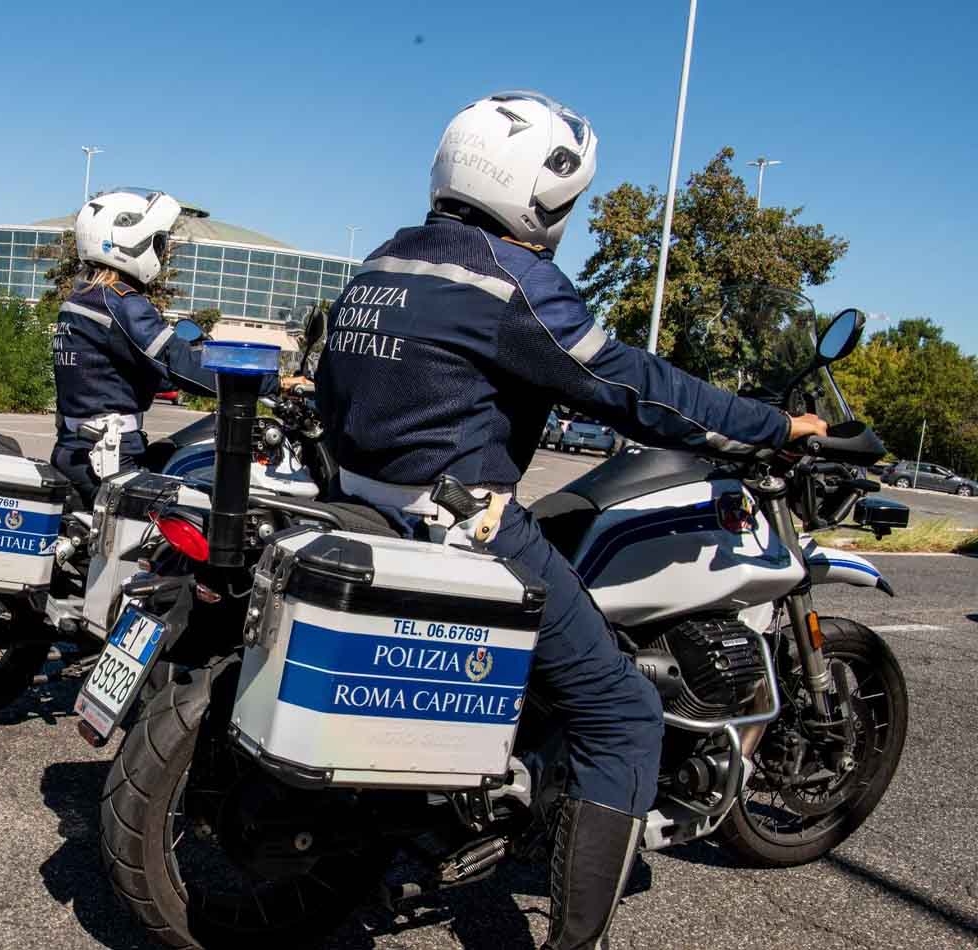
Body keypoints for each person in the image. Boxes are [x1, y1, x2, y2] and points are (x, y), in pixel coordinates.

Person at [314, 91, 828, 950]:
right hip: (463, 520)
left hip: (364, 500)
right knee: (623, 712)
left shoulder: (387, 261)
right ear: (538, 194)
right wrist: (772, 426)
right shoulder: (509, 277)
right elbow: (630, 386)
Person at [51, 189, 281, 505]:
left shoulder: (79, 301)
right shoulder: (123, 305)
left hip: (75, 450)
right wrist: (268, 380)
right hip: (111, 460)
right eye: (157, 242)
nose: (160, 252)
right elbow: (180, 364)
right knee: (193, 518)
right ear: (131, 241)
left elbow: (125, 374)